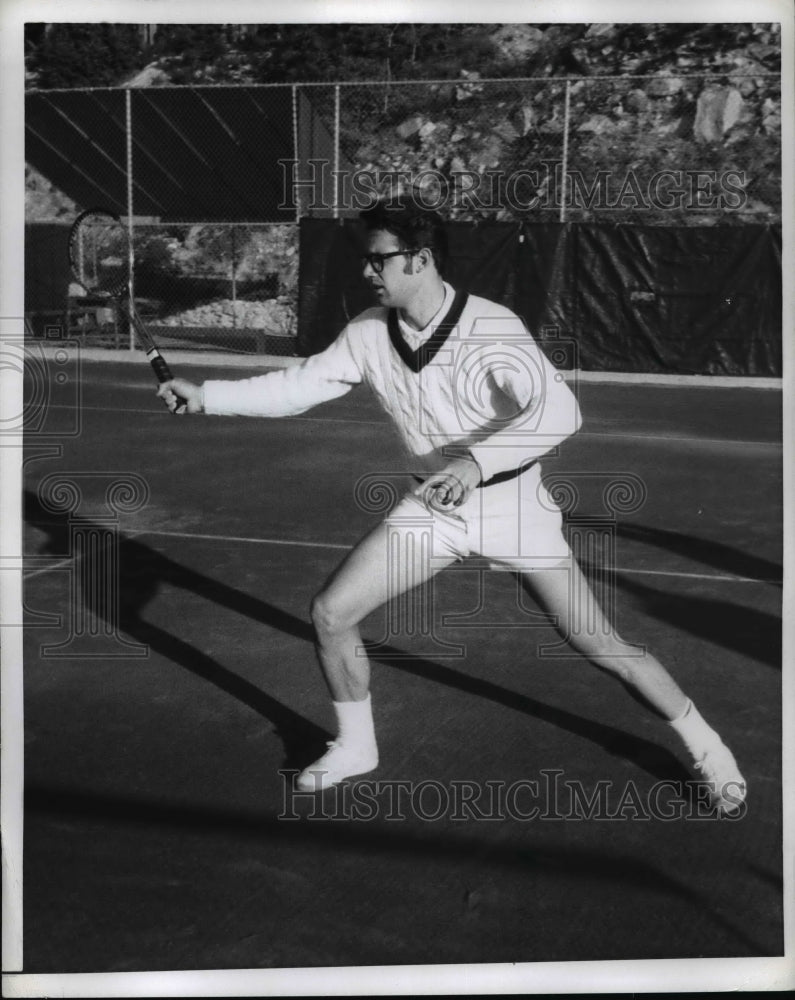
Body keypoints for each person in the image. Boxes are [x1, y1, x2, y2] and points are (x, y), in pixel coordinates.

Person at [158, 200, 746, 815]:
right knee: (331, 614)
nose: (368, 272)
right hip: (435, 507)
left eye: (380, 259)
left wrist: (474, 463)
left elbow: (559, 411)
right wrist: (206, 396)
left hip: (514, 507)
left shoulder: (492, 326)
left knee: (599, 643)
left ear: (422, 259)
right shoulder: (365, 332)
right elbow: (299, 386)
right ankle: (357, 746)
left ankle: (707, 748)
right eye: (366, 259)